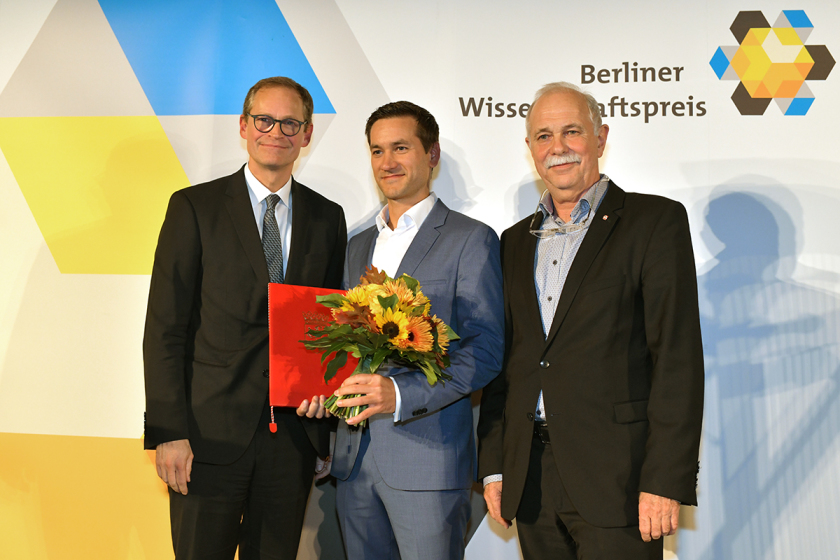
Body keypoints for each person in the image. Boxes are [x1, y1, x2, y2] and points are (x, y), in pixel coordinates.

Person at [476, 82, 704, 560]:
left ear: (600, 138)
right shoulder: (514, 241)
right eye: (543, 136)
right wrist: (496, 465)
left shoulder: (653, 221)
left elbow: (676, 359)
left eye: (571, 132)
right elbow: (509, 361)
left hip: (619, 479)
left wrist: (664, 479)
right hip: (531, 478)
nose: (557, 148)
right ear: (529, 149)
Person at [143, 76, 347, 559]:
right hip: (206, 438)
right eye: (264, 120)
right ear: (243, 126)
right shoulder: (194, 207)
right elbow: (165, 328)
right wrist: (169, 432)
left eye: (290, 122)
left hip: (292, 438)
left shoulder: (328, 216)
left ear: (307, 133)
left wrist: (327, 419)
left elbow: (329, 326)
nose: (276, 131)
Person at [328, 101, 504, 560]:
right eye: (377, 150)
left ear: (433, 155)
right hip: (352, 461)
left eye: (401, 148)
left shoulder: (471, 238)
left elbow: (485, 350)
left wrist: (400, 394)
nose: (387, 162)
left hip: (427, 461)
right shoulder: (356, 245)